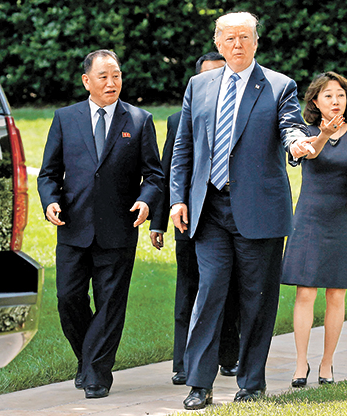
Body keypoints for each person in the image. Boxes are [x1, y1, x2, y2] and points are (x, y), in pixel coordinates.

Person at [169, 11, 315, 410]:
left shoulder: (279, 85)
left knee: (257, 300)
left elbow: (290, 126)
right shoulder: (198, 85)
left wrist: (297, 143)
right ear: (218, 43)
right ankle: (199, 384)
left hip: (259, 210)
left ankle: (251, 382)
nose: (237, 44)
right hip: (209, 209)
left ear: (256, 42)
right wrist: (178, 198)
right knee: (208, 295)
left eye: (245, 37)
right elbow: (184, 146)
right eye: (230, 38)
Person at [37, 49, 163, 399]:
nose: (111, 83)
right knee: (68, 299)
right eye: (103, 76)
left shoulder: (139, 120)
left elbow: (154, 175)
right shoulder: (65, 118)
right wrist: (50, 201)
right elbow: (48, 173)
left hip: (118, 228)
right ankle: (88, 359)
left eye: (116, 75)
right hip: (73, 226)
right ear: (86, 81)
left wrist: (146, 200)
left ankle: (96, 374)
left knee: (110, 305)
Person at [149, 52, 241, 386]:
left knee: (229, 287)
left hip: (230, 215)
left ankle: (229, 356)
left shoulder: (239, 115)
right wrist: (158, 221)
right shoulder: (179, 120)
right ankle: (184, 363)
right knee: (188, 290)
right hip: (189, 218)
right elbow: (169, 171)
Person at [281, 72, 347, 387]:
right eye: (328, 95)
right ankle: (300, 364)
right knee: (305, 292)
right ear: (315, 101)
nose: (336, 101)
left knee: (336, 293)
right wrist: (323, 134)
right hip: (309, 219)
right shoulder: (304, 132)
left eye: (340, 95)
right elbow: (307, 154)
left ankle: (326, 363)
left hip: (343, 220)